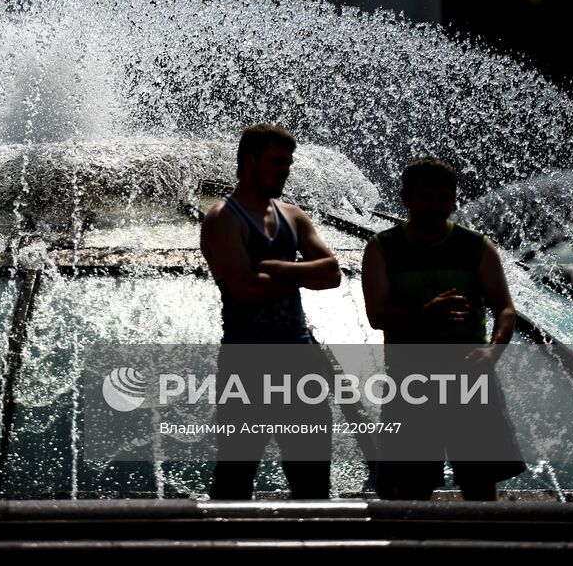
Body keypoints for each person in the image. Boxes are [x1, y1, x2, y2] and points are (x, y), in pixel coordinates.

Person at [361, 155, 525, 500]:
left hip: (470, 382)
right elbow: (377, 316)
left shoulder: (476, 247)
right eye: (426, 197)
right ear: (406, 199)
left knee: (480, 486)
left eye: (444, 197)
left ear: (453, 198)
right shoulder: (382, 249)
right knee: (410, 489)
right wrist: (426, 313)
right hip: (411, 383)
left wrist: (492, 351)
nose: (436, 206)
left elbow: (506, 310)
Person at [199, 124, 342, 499]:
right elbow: (245, 290)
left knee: (312, 478)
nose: (286, 170)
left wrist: (278, 268)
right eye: (278, 161)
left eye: (288, 162)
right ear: (250, 160)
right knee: (236, 475)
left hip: (300, 362)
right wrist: (301, 272)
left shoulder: (293, 216)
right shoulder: (222, 220)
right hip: (247, 366)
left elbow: (332, 273)